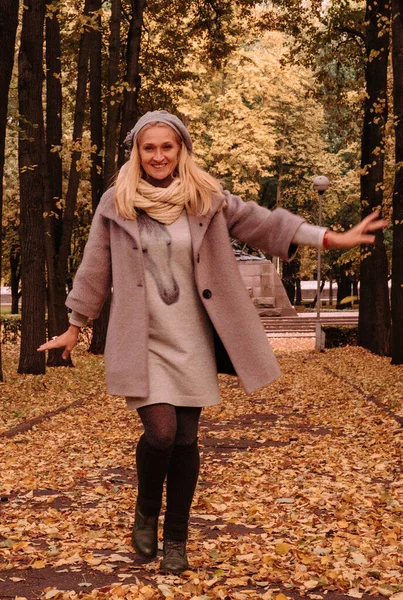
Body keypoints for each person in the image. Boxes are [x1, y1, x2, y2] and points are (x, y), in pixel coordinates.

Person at [38, 110, 387, 575]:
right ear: (137, 153)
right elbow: (94, 267)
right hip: (144, 339)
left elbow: (265, 224)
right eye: (149, 148)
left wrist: (330, 238)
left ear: (181, 149)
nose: (158, 156)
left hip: (194, 338)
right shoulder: (116, 202)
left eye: (167, 146)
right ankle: (146, 511)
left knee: (185, 439)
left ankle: (176, 539)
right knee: (160, 433)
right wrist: (75, 324)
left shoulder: (207, 198)